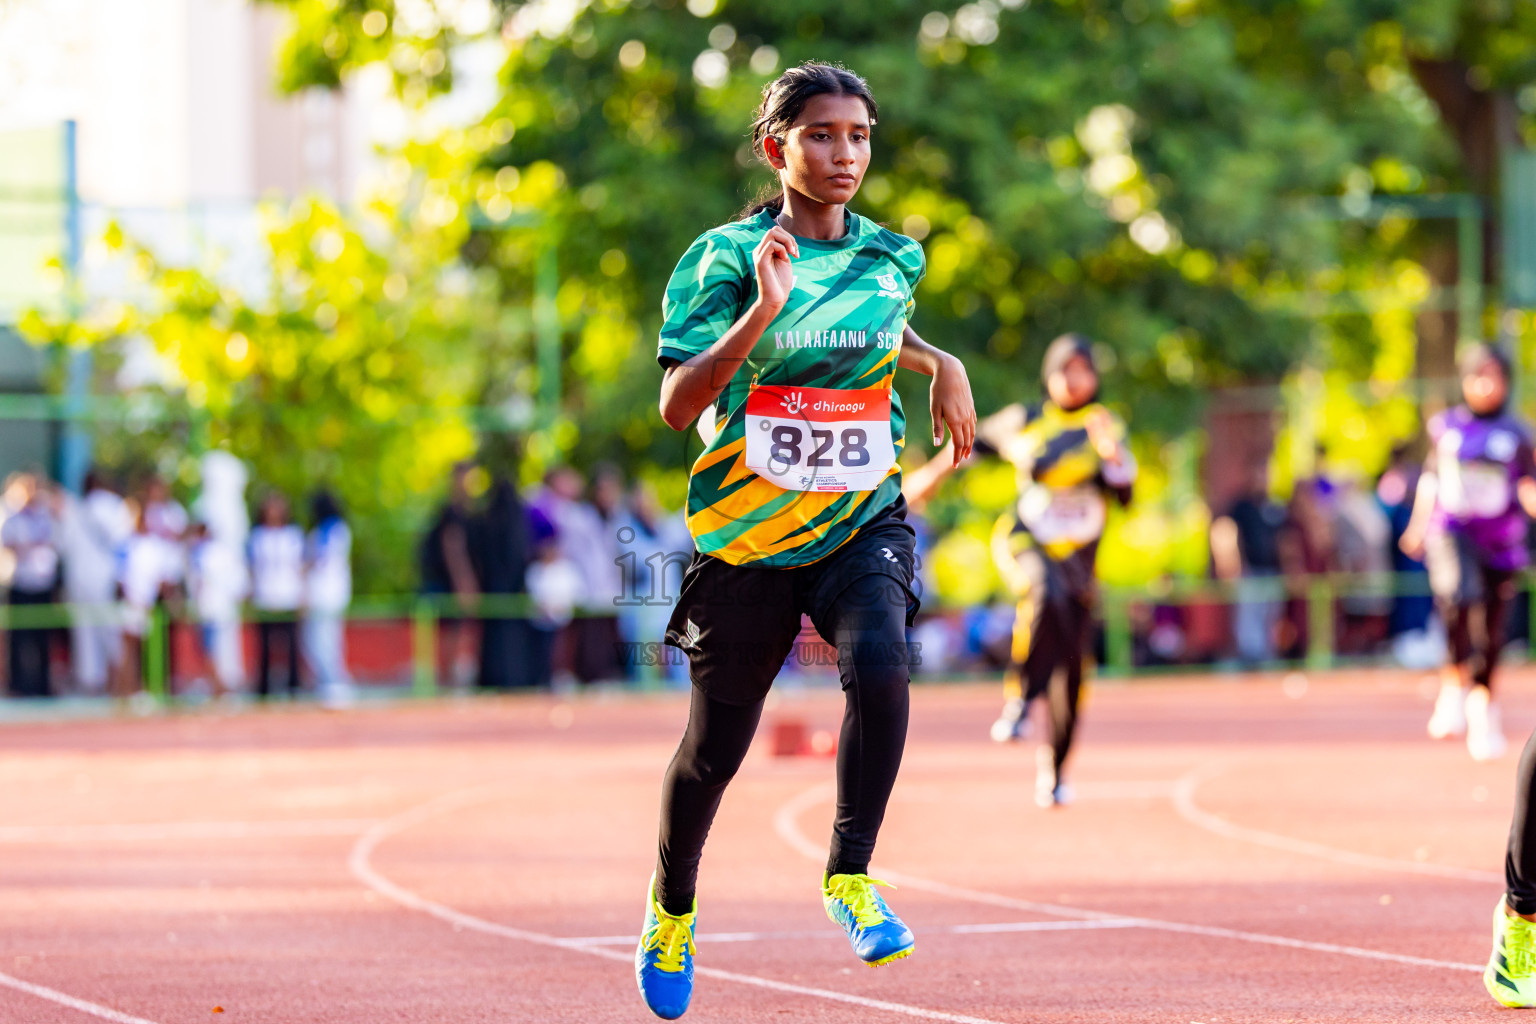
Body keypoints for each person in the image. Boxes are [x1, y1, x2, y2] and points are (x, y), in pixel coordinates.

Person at [634, 62, 975, 1019]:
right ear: (775, 146)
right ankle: (671, 909)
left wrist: (939, 360)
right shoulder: (720, 259)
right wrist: (763, 312)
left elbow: (879, 325)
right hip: (747, 534)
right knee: (713, 752)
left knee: (882, 658)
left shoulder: (892, 258)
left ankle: (850, 875)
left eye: (859, 136)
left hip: (858, 519)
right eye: (823, 135)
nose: (845, 154)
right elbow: (675, 405)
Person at [905, 334, 1135, 808]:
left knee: (1071, 670)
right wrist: (927, 479)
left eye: (1083, 370)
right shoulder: (1023, 420)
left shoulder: (1104, 424)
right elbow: (967, 439)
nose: (1073, 380)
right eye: (1064, 369)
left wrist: (1113, 457)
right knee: (1041, 591)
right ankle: (1020, 701)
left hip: (1080, 564)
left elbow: (1126, 493)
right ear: (1048, 374)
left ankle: (1055, 770)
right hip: (1026, 540)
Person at [1401, 344, 1536, 761]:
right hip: (1452, 529)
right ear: (1465, 380)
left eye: (1494, 376)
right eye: (1479, 376)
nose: (1486, 385)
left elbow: (1527, 484)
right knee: (1459, 595)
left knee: (1491, 626)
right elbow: (1430, 478)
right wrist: (1418, 525)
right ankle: (1452, 684)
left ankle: (1484, 707)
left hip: (1501, 539)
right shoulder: (1447, 429)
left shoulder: (1517, 435)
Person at [59, 470, 132, 694]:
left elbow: (63, 547)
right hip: (105, 581)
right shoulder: (112, 506)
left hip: (78, 582)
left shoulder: (75, 510)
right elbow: (124, 544)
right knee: (112, 635)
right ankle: (120, 688)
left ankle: (92, 686)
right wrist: (124, 579)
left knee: (85, 637)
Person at [1211, 462, 1286, 665]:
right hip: (1250, 571)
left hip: (1272, 571)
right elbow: (1226, 532)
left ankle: (1266, 655)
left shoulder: (1275, 506)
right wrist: (1233, 563)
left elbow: (1283, 540)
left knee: (1269, 615)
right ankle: (1249, 657)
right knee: (1248, 617)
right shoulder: (1241, 506)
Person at [419, 463, 479, 688]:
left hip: (450, 581)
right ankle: (447, 678)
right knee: (451, 628)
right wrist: (464, 581)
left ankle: (450, 676)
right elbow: (453, 546)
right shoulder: (452, 511)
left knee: (457, 627)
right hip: (445, 582)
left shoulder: (465, 509)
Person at [1, 472, 61, 696]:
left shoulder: (45, 515)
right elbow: (9, 543)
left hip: (42, 583)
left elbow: (54, 543)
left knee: (42, 637)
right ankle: (17, 685)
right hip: (21, 582)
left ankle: (43, 685)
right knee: (19, 638)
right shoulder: (12, 515)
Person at [471, 476, 533, 690]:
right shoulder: (518, 524)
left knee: (495, 637)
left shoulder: (487, 522)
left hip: (493, 589)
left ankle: (494, 676)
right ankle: (514, 676)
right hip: (513, 591)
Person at [249, 493, 305, 699]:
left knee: (291, 644)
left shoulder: (293, 535)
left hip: (288, 595)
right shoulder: (257, 536)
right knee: (264, 646)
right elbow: (253, 568)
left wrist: (302, 594)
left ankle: (293, 687)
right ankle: (263, 689)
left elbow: (299, 566)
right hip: (265, 596)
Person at [186, 518, 249, 698]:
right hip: (224, 607)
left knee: (210, 650)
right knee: (222, 649)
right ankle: (222, 687)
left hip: (209, 608)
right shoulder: (224, 553)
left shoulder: (201, 552)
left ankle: (219, 688)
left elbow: (198, 582)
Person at [304, 491, 353, 708]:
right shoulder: (336, 529)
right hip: (329, 593)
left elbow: (318, 559)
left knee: (323, 641)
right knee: (324, 640)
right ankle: (329, 683)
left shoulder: (331, 529)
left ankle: (334, 684)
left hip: (325, 594)